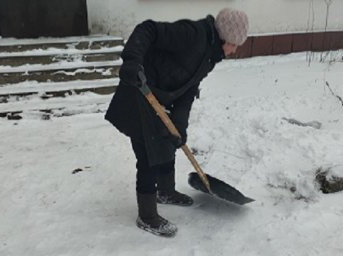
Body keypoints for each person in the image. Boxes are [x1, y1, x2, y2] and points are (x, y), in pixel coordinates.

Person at [105, 8, 249, 237]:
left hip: (161, 96)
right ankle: (147, 215)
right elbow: (148, 29)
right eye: (234, 43)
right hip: (139, 88)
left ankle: (166, 191)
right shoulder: (191, 34)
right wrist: (132, 61)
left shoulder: (210, 55)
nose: (234, 49)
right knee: (148, 153)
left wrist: (179, 124)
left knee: (169, 139)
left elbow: (189, 89)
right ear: (224, 36)